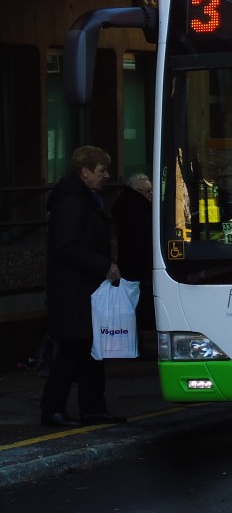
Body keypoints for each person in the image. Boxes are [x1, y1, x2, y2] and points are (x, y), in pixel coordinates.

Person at [39, 146, 126, 427]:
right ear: (85, 171)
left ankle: (90, 409)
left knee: (88, 349)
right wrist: (103, 266)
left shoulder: (81, 198)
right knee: (74, 350)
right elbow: (67, 246)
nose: (106, 176)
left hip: (80, 288)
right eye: (101, 171)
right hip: (73, 290)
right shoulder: (73, 202)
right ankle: (55, 409)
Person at [112, 173, 154, 343]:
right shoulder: (140, 208)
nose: (151, 194)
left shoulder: (124, 204)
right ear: (138, 191)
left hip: (130, 263)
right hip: (139, 265)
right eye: (148, 191)